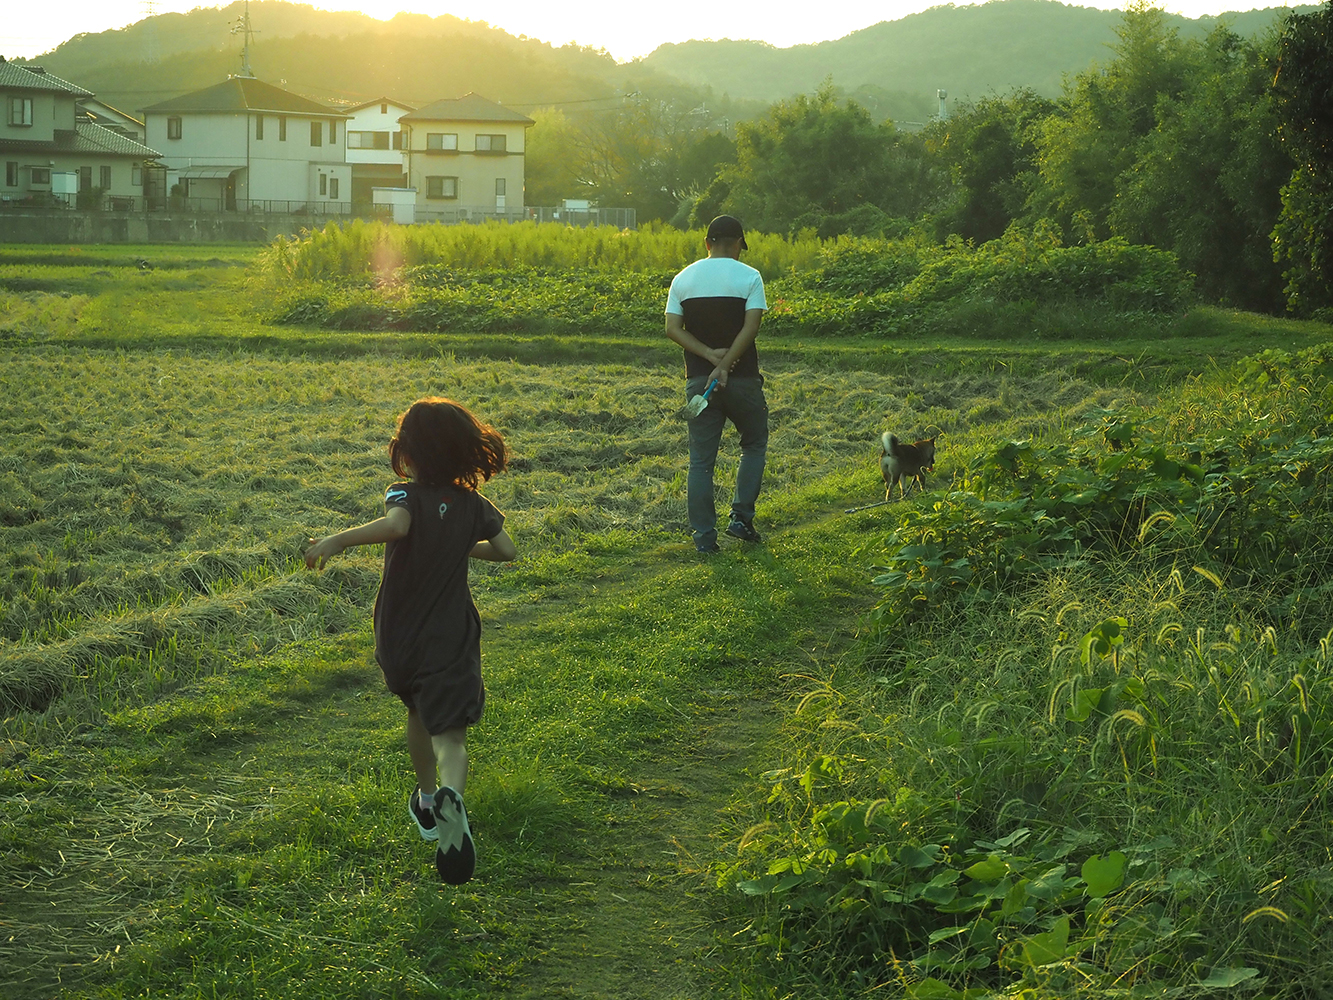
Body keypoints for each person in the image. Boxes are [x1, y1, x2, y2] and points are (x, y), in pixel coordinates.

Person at [304, 397, 516, 885]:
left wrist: (338, 539)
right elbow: (507, 550)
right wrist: (460, 544)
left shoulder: (402, 494)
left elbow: (398, 527)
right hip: (450, 632)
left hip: (400, 632)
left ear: (409, 453)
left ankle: (426, 799)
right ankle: (452, 795)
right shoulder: (474, 505)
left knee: (417, 711)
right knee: (452, 733)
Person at [665, 214, 769, 554]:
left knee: (701, 462)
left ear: (707, 243)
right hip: (744, 380)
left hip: (699, 381)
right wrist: (725, 365)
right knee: (753, 444)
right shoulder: (750, 276)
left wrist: (710, 357)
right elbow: (751, 327)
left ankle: (704, 540)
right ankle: (741, 519)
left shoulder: (683, 278)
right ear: (738, 243)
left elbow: (673, 329)